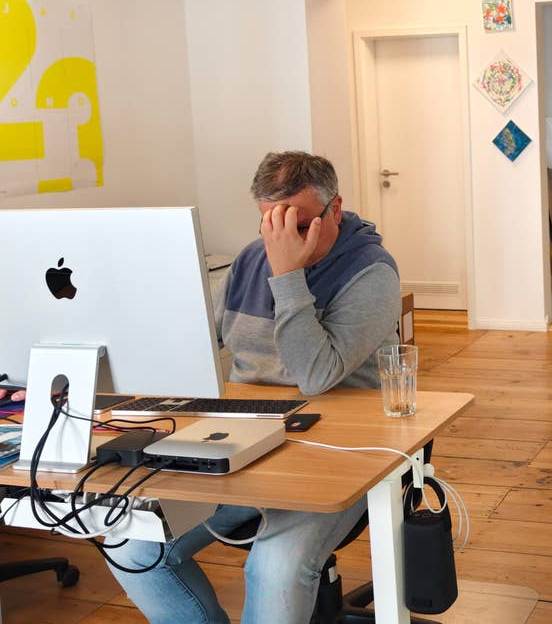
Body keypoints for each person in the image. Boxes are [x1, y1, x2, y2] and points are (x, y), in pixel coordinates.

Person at [105, 151, 402, 624]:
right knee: (131, 546)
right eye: (271, 224)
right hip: (243, 437)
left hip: (338, 448)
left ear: (336, 209)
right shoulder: (247, 260)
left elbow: (316, 376)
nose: (284, 239)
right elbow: (199, 343)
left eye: (298, 225)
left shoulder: (371, 271)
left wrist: (287, 275)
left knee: (274, 568)